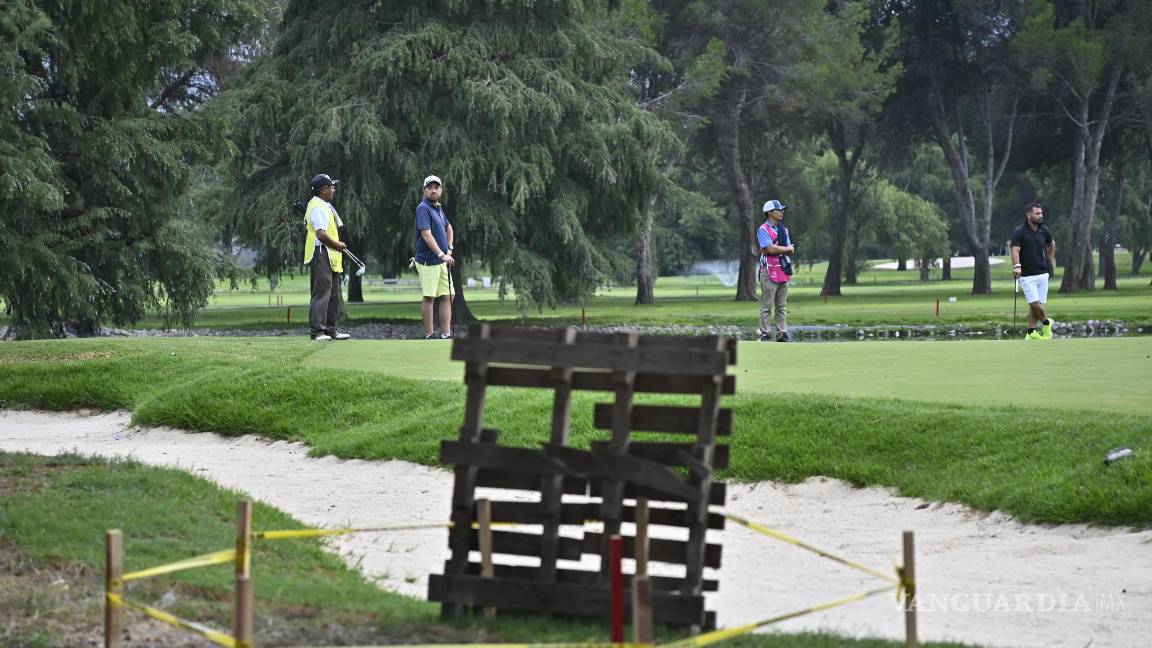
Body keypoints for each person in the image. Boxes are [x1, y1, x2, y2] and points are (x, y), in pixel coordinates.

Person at [303, 173, 351, 341]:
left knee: (333, 294)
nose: (333, 190)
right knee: (322, 293)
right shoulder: (317, 207)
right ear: (323, 189)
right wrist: (337, 245)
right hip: (321, 253)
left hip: (330, 255)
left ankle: (331, 330)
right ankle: (317, 332)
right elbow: (321, 235)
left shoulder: (323, 205)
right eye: (331, 187)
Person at [413, 175, 455, 339]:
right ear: (424, 190)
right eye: (430, 187)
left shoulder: (438, 208)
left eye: (436, 187)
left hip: (441, 260)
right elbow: (426, 235)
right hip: (428, 261)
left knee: (448, 295)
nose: (433, 190)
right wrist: (441, 254)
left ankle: (445, 334)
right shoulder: (423, 208)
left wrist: (449, 250)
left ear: (441, 190)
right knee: (429, 297)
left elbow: (449, 229)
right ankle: (430, 335)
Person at [1010, 202, 1056, 340]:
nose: (1040, 216)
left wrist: (1049, 258)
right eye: (1037, 213)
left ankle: (1031, 333)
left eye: (1041, 213)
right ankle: (1047, 323)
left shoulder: (1044, 230)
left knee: (1037, 306)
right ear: (1028, 214)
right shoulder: (1019, 231)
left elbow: (1051, 243)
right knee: (1034, 304)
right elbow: (1015, 250)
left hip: (1042, 273)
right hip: (1027, 275)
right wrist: (1017, 265)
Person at [757, 199, 796, 342]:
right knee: (766, 306)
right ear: (769, 213)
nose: (781, 212)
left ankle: (782, 333)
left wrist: (782, 249)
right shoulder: (763, 229)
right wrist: (785, 249)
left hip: (783, 270)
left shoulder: (783, 230)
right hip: (768, 271)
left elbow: (788, 249)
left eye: (781, 210)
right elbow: (770, 249)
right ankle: (765, 334)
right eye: (778, 210)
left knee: (781, 306)